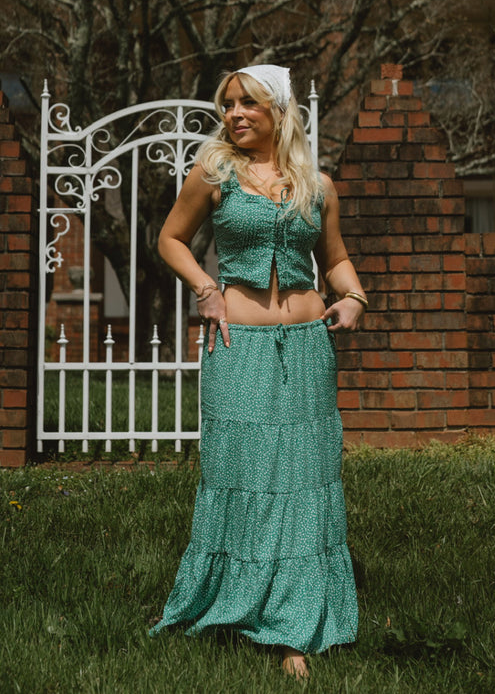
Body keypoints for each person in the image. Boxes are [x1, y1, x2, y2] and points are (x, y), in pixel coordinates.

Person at [150, 63, 367, 680]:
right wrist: (205, 289)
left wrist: (354, 296)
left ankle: (295, 623)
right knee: (242, 474)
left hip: (306, 348)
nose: (235, 114)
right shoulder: (214, 173)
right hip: (237, 345)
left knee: (302, 478)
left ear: (279, 110)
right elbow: (171, 238)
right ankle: (237, 602)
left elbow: (335, 257)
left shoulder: (318, 186)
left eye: (248, 103)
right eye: (228, 104)